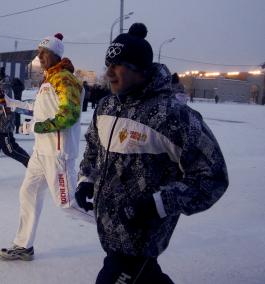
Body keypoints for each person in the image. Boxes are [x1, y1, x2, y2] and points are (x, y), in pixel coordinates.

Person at [75, 23, 229, 284]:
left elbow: (212, 178)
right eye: (107, 64)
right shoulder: (106, 106)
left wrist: (156, 205)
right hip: (110, 230)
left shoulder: (172, 116)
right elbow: (93, 146)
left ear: (140, 69)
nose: (109, 72)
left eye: (118, 65)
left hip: (141, 238)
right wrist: (86, 180)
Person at [0, 33, 86, 261]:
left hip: (58, 153)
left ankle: (118, 226)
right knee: (28, 192)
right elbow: (36, 109)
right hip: (40, 153)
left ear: (55, 54)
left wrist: (37, 127)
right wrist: (9, 103)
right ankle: (23, 245)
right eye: (39, 52)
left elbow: (69, 115)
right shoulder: (48, 80)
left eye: (43, 52)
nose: (39, 56)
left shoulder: (66, 80)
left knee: (68, 205)